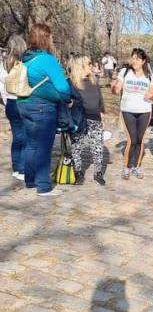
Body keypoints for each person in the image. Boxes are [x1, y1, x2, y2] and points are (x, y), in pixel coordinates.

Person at [16, 24, 71, 196]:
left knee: (31, 145)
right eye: (50, 36)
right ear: (45, 38)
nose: (52, 40)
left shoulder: (25, 58)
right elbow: (63, 88)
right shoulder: (47, 60)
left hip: (23, 104)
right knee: (44, 147)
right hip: (42, 108)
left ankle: (30, 180)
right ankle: (43, 186)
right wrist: (66, 99)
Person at [111, 48, 153, 180]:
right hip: (128, 110)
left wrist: (151, 95)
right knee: (132, 139)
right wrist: (114, 87)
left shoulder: (149, 75)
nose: (134, 61)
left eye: (137, 59)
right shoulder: (124, 72)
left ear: (143, 61)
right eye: (133, 58)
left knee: (140, 139)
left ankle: (136, 166)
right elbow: (116, 89)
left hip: (144, 110)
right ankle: (126, 168)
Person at [68, 55, 106, 186]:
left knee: (97, 146)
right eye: (89, 63)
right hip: (78, 119)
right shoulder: (71, 82)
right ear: (80, 66)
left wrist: (102, 112)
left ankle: (98, 172)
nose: (92, 66)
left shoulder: (94, 81)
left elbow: (99, 98)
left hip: (94, 117)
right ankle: (78, 172)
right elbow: (65, 99)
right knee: (76, 146)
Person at [0, 35, 27, 182]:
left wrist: (6, 101)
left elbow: (2, 87)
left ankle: (17, 167)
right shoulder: (22, 63)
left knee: (17, 137)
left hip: (10, 102)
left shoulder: (3, 64)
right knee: (24, 137)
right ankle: (22, 168)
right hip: (21, 100)